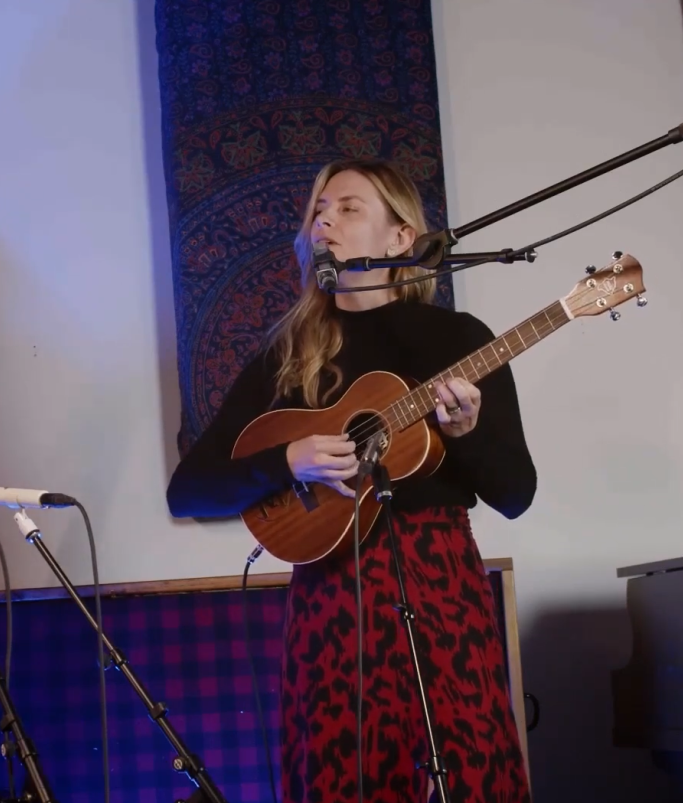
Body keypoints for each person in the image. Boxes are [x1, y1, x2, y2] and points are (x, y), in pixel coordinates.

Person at [166, 158, 535, 803]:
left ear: (399, 239)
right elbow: (188, 491)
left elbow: (516, 494)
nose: (325, 220)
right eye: (318, 211)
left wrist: (468, 433)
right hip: (333, 594)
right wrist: (285, 463)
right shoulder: (287, 356)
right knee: (344, 778)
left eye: (348, 207)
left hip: (441, 578)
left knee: (473, 768)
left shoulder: (460, 340)